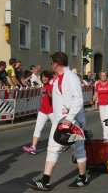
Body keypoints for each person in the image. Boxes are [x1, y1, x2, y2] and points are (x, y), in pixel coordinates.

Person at [26, 52, 88, 190]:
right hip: (59, 120)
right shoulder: (59, 78)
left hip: (72, 120)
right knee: (52, 149)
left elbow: (78, 99)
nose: (51, 66)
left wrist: (70, 118)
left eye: (51, 63)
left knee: (78, 150)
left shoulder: (71, 77)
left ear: (55, 63)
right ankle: (45, 181)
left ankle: (82, 178)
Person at [23, 70, 56, 155]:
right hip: (43, 111)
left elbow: (55, 98)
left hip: (52, 111)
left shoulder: (52, 86)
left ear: (49, 78)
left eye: (46, 77)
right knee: (38, 128)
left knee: (56, 129)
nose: (44, 79)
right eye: (43, 77)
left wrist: (47, 92)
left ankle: (60, 144)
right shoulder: (43, 85)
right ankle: (33, 147)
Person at [91, 71, 108, 140]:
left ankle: (106, 137)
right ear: (100, 77)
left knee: (106, 118)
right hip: (101, 104)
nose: (104, 77)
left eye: (105, 75)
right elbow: (96, 93)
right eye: (102, 75)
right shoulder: (98, 84)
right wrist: (93, 99)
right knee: (102, 120)